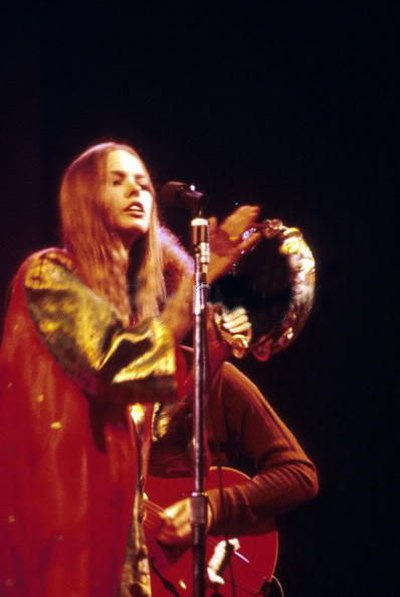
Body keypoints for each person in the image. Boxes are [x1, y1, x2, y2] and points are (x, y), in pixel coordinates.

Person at [0, 141, 262, 597]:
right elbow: (117, 363)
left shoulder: (133, 321)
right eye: (116, 181)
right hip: (60, 534)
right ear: (83, 197)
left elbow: (162, 377)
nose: (135, 191)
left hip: (116, 534)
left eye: (142, 183)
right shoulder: (47, 275)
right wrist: (197, 279)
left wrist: (214, 298)